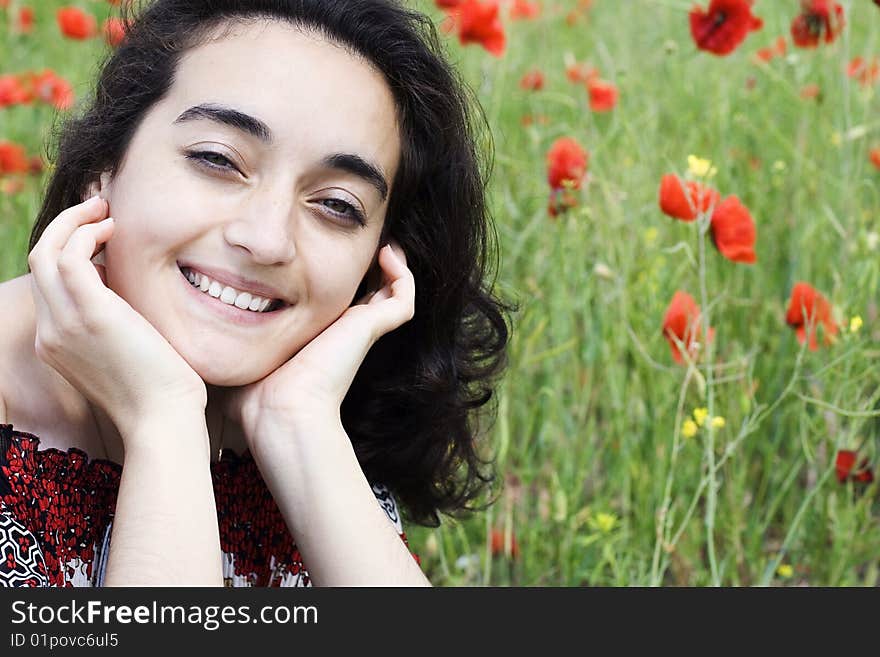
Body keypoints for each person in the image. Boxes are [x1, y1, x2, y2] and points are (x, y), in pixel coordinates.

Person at [0, 0, 513, 587]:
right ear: (104, 165)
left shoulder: (310, 401)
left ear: (378, 262)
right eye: (218, 160)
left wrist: (298, 428)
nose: (267, 239)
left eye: (337, 205)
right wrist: (163, 420)